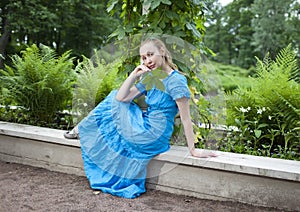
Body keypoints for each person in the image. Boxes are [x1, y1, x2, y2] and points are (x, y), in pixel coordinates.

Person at [64, 38, 217, 198]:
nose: (147, 60)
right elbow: (122, 98)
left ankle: (80, 129)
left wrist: (193, 150)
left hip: (154, 135)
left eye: (150, 55)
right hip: (144, 124)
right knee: (114, 98)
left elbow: (186, 119)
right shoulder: (151, 78)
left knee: (113, 101)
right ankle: (81, 128)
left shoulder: (176, 81)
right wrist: (134, 75)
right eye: (143, 57)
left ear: (162, 52)